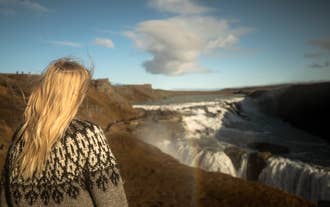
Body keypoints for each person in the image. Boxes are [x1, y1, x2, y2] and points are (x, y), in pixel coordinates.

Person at [0, 58, 128, 206]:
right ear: (74, 94)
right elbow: (113, 201)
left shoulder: (21, 135)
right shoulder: (87, 136)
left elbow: (4, 200)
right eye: (82, 90)